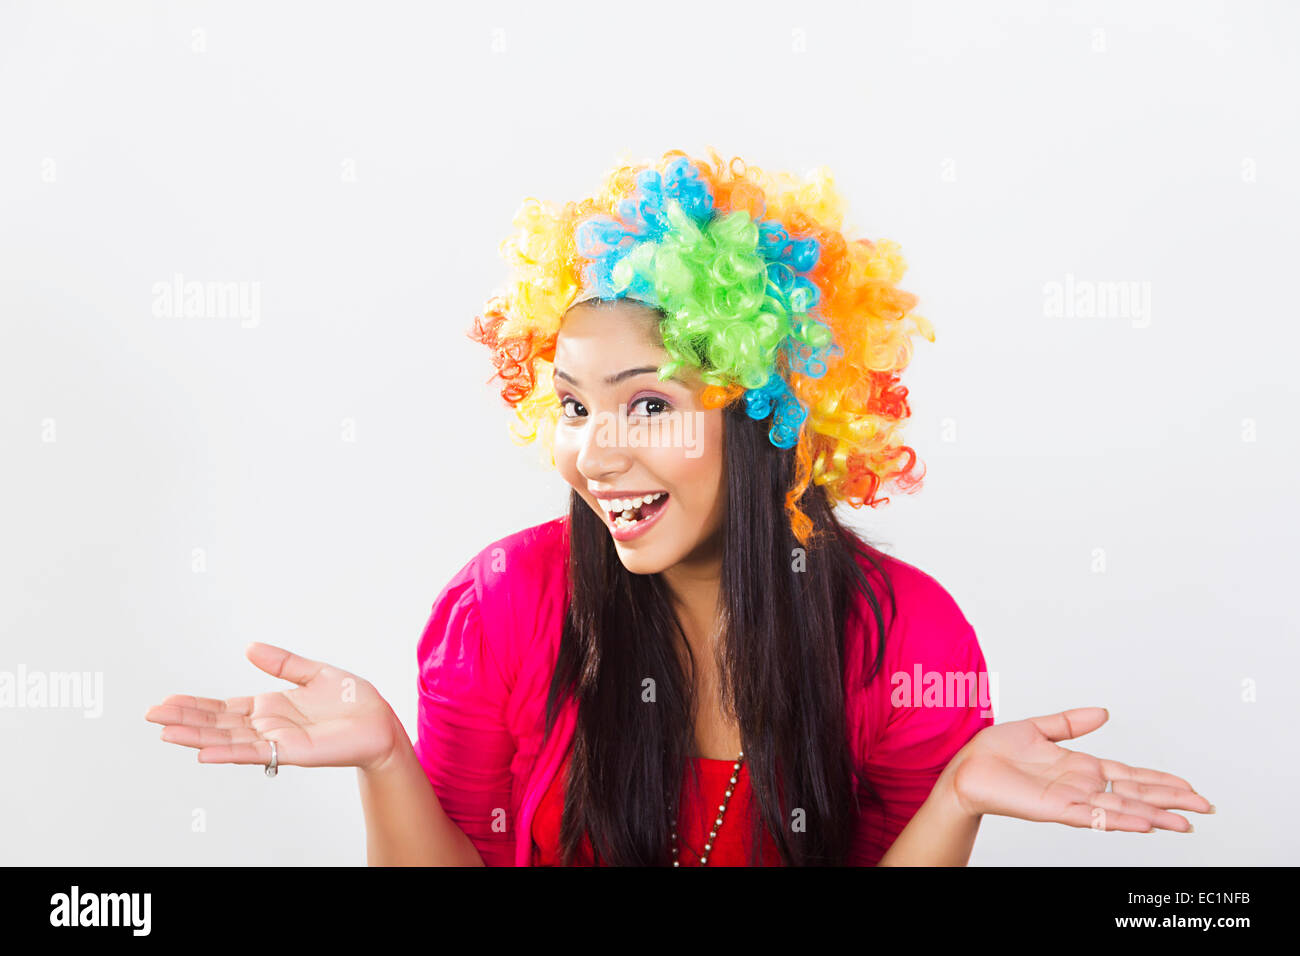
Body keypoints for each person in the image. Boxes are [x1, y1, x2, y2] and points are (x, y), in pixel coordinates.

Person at [145, 148, 1213, 865]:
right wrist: (386, 759)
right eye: (570, 405)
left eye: (647, 403)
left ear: (768, 411)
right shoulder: (503, 602)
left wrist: (955, 802)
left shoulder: (904, 634)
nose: (594, 452)